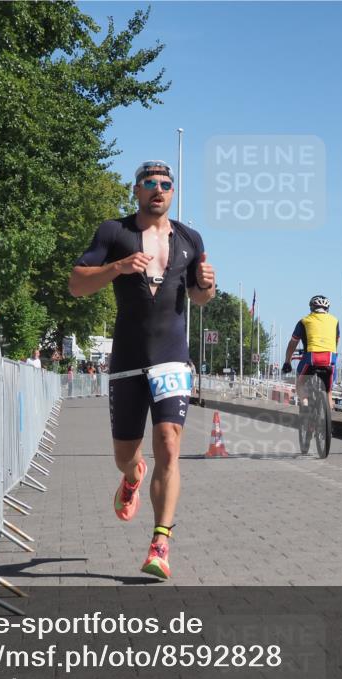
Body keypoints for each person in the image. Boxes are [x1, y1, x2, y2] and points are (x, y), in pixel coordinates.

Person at [68, 159, 215, 579]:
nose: (158, 190)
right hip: (129, 360)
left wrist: (207, 284)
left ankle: (160, 542)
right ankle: (132, 478)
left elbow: (200, 298)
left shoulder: (189, 237)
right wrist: (116, 267)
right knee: (124, 457)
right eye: (150, 183)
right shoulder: (114, 232)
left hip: (171, 356)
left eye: (166, 184)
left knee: (169, 442)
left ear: (173, 192)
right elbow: (76, 285)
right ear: (136, 190)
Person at [281, 295, 340, 405]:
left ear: (311, 308)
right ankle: (329, 413)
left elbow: (293, 343)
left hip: (312, 358)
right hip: (330, 358)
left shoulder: (304, 321)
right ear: (327, 309)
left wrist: (287, 361)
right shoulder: (335, 321)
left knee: (300, 382)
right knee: (329, 391)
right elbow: (336, 342)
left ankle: (305, 403)